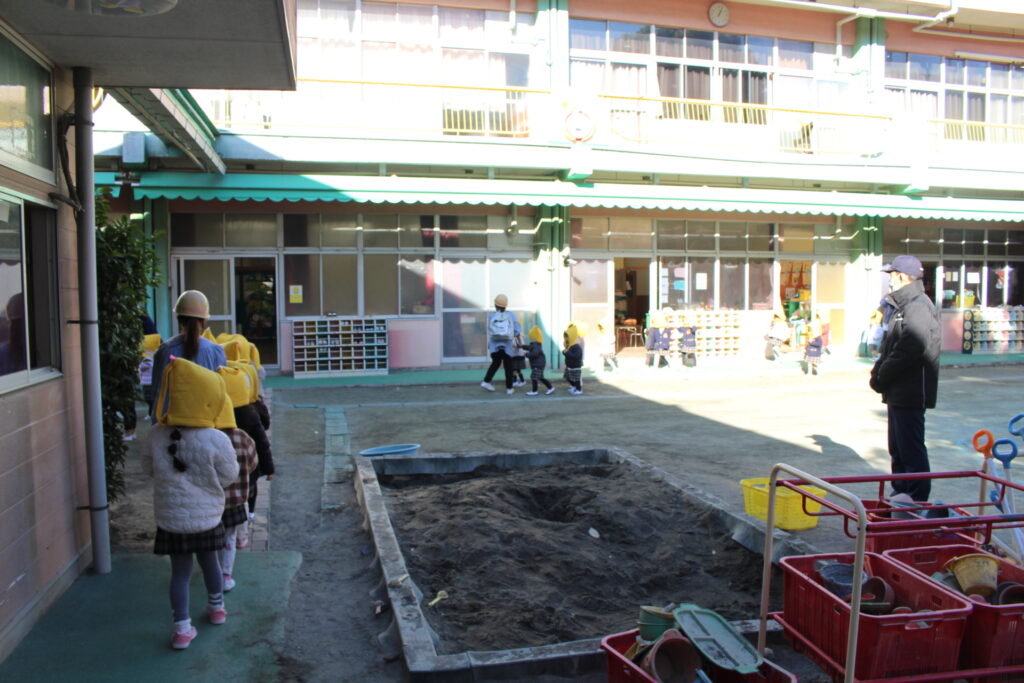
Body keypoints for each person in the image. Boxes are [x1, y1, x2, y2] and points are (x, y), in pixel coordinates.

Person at [145, 357, 239, 650]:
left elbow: (148, 469)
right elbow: (229, 475)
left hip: (171, 519)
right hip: (207, 517)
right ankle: (217, 608)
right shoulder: (216, 438)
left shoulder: (155, 434)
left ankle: (182, 629)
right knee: (210, 562)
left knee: (180, 573)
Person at [869, 255, 940, 502]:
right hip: (897, 390)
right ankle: (900, 492)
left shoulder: (918, 306)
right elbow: (890, 346)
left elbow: (910, 348)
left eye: (891, 275)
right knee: (897, 448)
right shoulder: (902, 306)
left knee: (910, 447)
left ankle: (916, 497)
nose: (889, 280)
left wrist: (883, 374)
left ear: (900, 276)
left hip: (911, 390)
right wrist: (878, 372)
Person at [151, 290, 227, 419]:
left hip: (168, 422)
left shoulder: (164, 350)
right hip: (207, 421)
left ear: (179, 320)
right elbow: (223, 393)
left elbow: (156, 391)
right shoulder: (215, 351)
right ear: (204, 321)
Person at [216, 365, 258, 592]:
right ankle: (226, 574)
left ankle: (213, 573)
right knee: (230, 537)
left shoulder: (208, 437)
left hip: (212, 501)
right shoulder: (242, 437)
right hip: (236, 500)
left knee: (214, 538)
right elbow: (253, 462)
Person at [480, 294, 521, 395]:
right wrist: (518, 340)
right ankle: (509, 388)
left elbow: (489, 330)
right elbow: (517, 330)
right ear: (506, 305)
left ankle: (486, 381)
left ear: (495, 305)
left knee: (495, 363)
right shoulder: (511, 315)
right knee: (508, 366)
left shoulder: (491, 316)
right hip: (507, 346)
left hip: (494, 346)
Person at [523, 325, 555, 396]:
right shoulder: (535, 344)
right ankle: (550, 388)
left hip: (537, 365)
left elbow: (534, 354)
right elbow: (529, 347)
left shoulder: (536, 346)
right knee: (540, 377)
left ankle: (535, 391)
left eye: (531, 337)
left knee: (534, 377)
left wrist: (526, 354)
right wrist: (522, 346)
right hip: (539, 364)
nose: (530, 338)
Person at [563, 322, 584, 395]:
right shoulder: (570, 345)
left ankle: (579, 389)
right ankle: (574, 387)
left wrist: (567, 352)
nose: (566, 338)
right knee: (570, 378)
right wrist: (564, 352)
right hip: (571, 365)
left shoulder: (576, 346)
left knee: (576, 379)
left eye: (567, 336)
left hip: (575, 366)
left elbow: (575, 356)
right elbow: (568, 354)